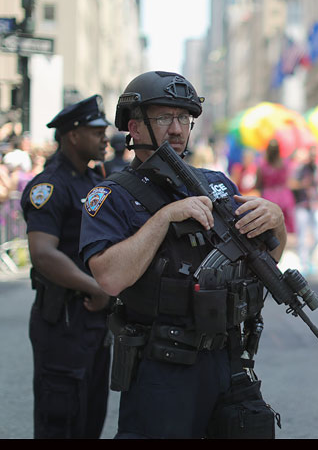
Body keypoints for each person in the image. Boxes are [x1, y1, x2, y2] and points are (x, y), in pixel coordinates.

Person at [78, 71, 286, 439]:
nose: (176, 129)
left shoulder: (218, 184)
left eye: (184, 119)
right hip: (164, 366)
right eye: (163, 118)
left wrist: (277, 224)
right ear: (135, 128)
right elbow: (109, 278)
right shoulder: (112, 195)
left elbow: (262, 266)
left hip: (229, 359)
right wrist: (164, 218)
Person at [20, 94, 113, 438]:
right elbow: (43, 254)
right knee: (60, 420)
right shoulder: (49, 186)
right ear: (73, 135)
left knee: (90, 418)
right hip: (62, 320)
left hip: (93, 322)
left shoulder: (92, 182)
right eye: (96, 131)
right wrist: (95, 287)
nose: (105, 138)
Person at [290, 145, 318, 275]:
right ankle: (304, 262)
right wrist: (303, 184)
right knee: (302, 236)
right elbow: (291, 183)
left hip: (317, 205)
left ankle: (311, 259)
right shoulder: (300, 169)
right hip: (303, 204)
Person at [255, 139, 295, 233]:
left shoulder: (262, 166)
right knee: (286, 228)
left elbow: (258, 184)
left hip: (269, 197)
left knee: (270, 229)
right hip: (285, 197)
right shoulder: (285, 164)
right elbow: (288, 180)